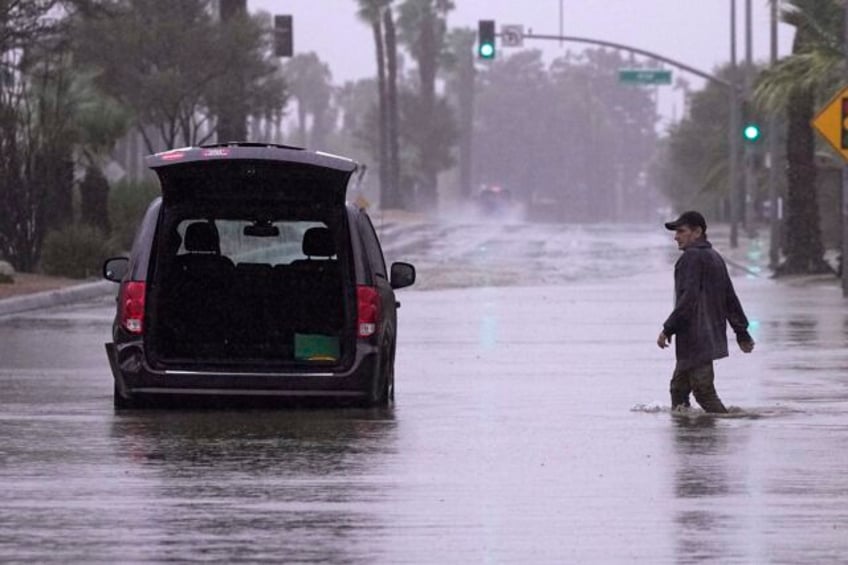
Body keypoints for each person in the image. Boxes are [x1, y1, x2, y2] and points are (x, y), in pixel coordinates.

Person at [656, 211, 755, 413]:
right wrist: (741, 332)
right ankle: (690, 437)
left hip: (696, 338)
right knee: (678, 389)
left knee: (703, 392)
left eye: (681, 231)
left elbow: (688, 299)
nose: (676, 236)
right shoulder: (715, 257)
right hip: (707, 336)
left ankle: (714, 438)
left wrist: (668, 328)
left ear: (697, 232)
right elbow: (730, 298)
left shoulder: (691, 258)